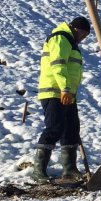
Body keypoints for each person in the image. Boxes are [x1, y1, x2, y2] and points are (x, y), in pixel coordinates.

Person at [30, 16, 91, 181]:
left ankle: (69, 169)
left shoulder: (70, 41)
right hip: (55, 91)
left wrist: (69, 91)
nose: (82, 39)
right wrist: (65, 88)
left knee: (71, 128)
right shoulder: (60, 38)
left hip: (67, 93)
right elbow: (58, 65)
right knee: (54, 127)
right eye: (83, 35)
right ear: (77, 30)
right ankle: (38, 170)